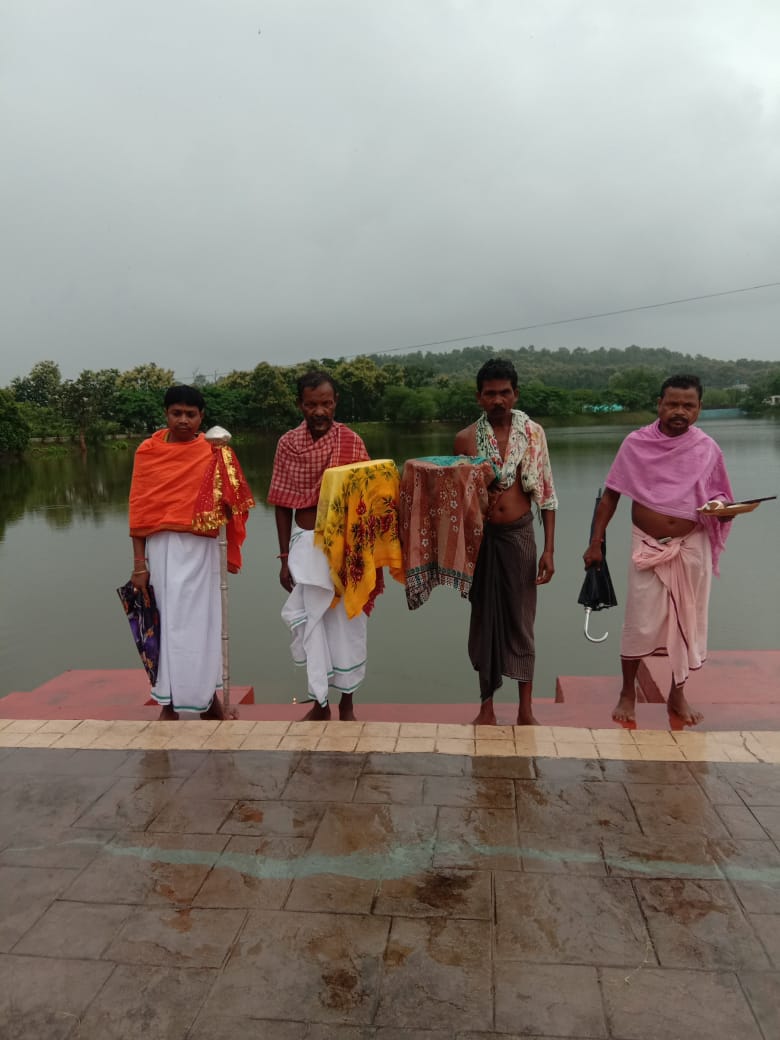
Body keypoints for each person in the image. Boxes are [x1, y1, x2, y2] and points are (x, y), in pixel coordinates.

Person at [583, 374, 733, 725]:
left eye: (688, 405)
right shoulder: (636, 443)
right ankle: (626, 692)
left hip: (690, 545)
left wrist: (722, 508)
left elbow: (722, 494)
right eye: (673, 403)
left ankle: (677, 694)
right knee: (639, 620)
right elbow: (611, 495)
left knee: (689, 619)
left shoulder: (707, 447)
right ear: (659, 405)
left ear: (699, 409)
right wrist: (594, 542)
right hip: (647, 546)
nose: (679, 411)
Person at [128, 385, 253, 720]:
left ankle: (208, 700)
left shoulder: (212, 449)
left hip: (202, 546)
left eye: (190, 414)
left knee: (204, 623)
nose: (183, 420)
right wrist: (139, 564)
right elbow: (139, 510)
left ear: (201, 417)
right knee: (166, 622)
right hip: (163, 549)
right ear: (166, 414)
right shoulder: (148, 451)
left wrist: (226, 463)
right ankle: (168, 702)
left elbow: (235, 498)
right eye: (176, 413)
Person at [454, 358, 558, 726]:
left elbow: (545, 493)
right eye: (490, 394)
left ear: (515, 394)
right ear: (479, 397)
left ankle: (525, 709)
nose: (498, 400)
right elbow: (459, 500)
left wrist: (548, 549)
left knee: (521, 619)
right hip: (482, 541)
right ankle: (486, 706)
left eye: (504, 393)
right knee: (484, 620)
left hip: (520, 535)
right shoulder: (466, 439)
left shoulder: (533, 434)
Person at [268, 371, 370, 721]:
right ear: (300, 405)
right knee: (312, 623)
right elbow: (282, 503)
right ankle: (319, 704)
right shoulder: (288, 443)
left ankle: (348, 704)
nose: (319, 411)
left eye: (326, 403)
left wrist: (365, 555)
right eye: (311, 404)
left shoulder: (351, 441)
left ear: (335, 403)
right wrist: (283, 558)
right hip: (305, 545)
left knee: (347, 623)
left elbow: (369, 498)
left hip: (345, 548)